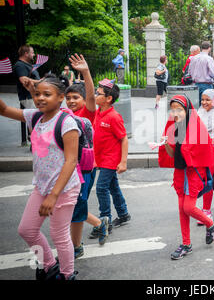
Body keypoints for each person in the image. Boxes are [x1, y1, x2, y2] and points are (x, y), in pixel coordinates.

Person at [0, 74, 81, 280]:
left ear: (60, 97)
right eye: (37, 94)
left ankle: (66, 274)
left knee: (59, 235)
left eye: (47, 94)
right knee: (26, 230)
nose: (40, 98)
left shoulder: (66, 122)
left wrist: (54, 196)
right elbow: (3, 110)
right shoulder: (35, 116)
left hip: (63, 189)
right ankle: (49, 265)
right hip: (42, 186)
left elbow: (71, 161)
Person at [158, 95, 214, 260]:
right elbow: (172, 155)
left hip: (194, 173)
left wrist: (184, 146)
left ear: (186, 110)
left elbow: (202, 154)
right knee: (181, 209)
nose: (175, 113)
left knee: (188, 208)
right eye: (173, 110)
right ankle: (186, 244)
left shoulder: (196, 127)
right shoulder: (173, 127)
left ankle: (211, 224)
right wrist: (166, 143)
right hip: (180, 173)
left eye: (179, 109)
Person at [64, 54, 109, 259]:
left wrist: (86, 72)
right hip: (67, 169)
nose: (72, 101)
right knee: (72, 206)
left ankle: (77, 247)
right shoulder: (65, 115)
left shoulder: (87, 113)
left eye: (76, 98)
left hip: (84, 170)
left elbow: (91, 97)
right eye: (69, 98)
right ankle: (99, 223)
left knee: (76, 206)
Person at [94, 80, 131, 230]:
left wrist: (123, 162)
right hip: (101, 159)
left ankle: (105, 221)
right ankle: (123, 214)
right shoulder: (98, 112)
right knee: (113, 187)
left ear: (108, 99)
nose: (95, 95)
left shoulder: (114, 117)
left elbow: (124, 139)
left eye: (98, 93)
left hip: (110, 159)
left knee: (101, 188)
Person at [13, 45, 41, 145]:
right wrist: (40, 81)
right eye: (32, 52)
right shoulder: (20, 65)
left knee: (36, 117)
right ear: (26, 54)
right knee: (34, 118)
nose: (34, 54)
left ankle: (35, 142)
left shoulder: (28, 64)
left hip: (34, 96)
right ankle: (35, 143)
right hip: (28, 97)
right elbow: (23, 80)